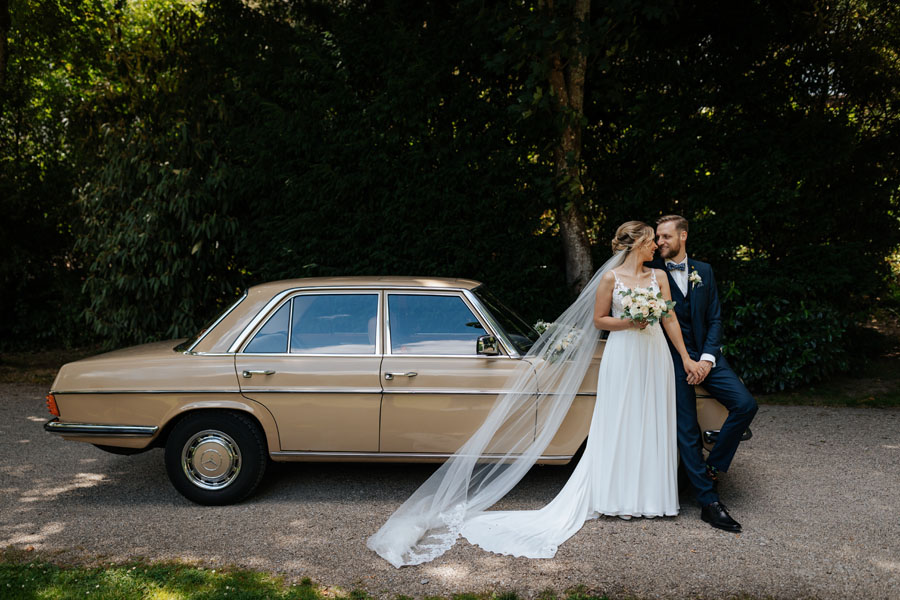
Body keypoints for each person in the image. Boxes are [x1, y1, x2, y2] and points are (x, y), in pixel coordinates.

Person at [368, 221, 697, 567]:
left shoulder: (658, 278)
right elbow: (600, 320)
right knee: (620, 422)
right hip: (624, 354)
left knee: (652, 420)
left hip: (654, 353)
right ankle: (618, 499)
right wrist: (630, 321)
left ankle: (652, 500)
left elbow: (670, 320)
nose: (655, 247)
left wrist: (686, 358)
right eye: (650, 242)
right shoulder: (609, 279)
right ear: (635, 245)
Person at [649, 214, 758, 532]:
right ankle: (708, 502)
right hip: (671, 358)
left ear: (683, 236)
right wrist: (686, 360)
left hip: (707, 357)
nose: (660, 242)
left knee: (746, 405)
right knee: (686, 428)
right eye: (658, 237)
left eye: (666, 236)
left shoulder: (704, 271)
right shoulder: (651, 273)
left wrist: (707, 360)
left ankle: (713, 466)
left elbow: (715, 319)